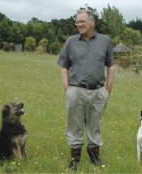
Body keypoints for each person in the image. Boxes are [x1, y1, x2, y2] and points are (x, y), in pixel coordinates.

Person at [57, 10, 115, 171]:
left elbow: (111, 65)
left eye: (82, 21)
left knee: (94, 125)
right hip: (76, 91)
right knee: (74, 125)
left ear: (92, 22)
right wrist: (67, 89)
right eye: (77, 22)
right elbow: (64, 67)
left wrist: (107, 91)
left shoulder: (105, 41)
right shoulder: (71, 41)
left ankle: (94, 157)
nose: (79, 25)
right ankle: (75, 159)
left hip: (98, 92)